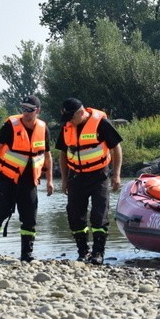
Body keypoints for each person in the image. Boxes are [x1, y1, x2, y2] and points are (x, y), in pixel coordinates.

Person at [0, 95, 54, 262]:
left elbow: (47, 155)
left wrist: (50, 180)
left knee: (30, 218)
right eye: (23, 108)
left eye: (29, 110)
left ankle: (26, 254)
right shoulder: (10, 126)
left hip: (30, 181)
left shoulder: (43, 128)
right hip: (8, 179)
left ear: (37, 111)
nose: (25, 112)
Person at [56, 98, 123, 265]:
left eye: (72, 117)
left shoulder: (101, 123)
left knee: (99, 215)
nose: (69, 121)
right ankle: (83, 252)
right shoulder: (67, 127)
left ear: (80, 112)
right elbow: (63, 154)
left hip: (98, 175)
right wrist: (64, 180)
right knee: (74, 215)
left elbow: (116, 148)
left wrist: (116, 174)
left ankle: (98, 253)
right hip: (76, 176)